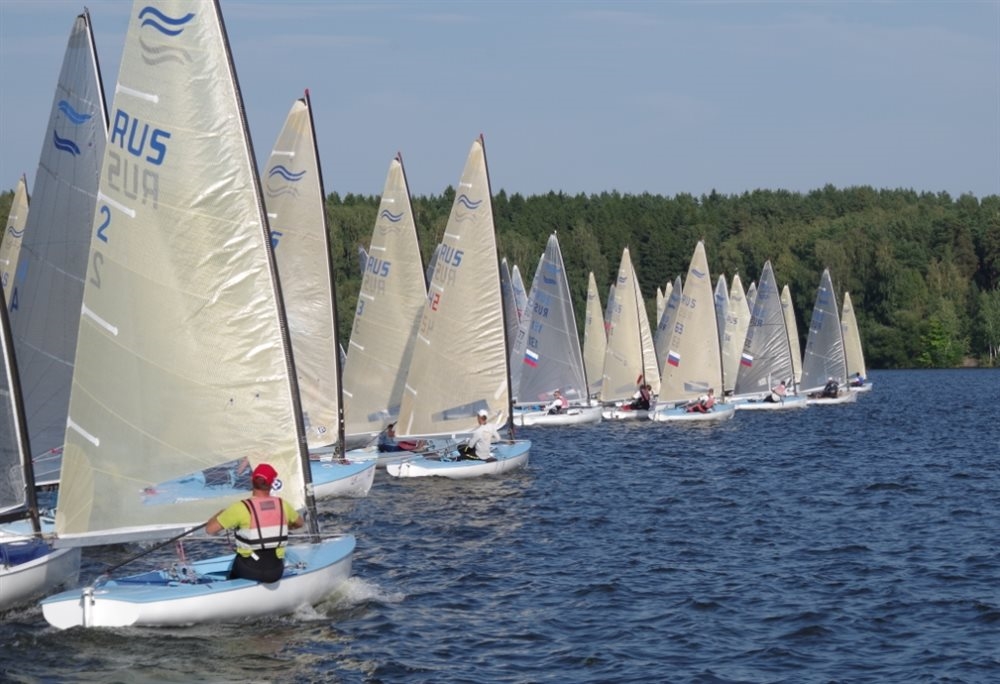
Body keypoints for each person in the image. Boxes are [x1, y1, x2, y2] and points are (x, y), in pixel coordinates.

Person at [205, 463, 303, 583]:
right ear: (272, 484)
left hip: (250, 569)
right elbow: (300, 523)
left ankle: (232, 585)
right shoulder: (282, 504)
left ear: (252, 481)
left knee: (234, 566)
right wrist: (285, 526)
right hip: (275, 571)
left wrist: (220, 513)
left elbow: (209, 529)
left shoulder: (240, 508)